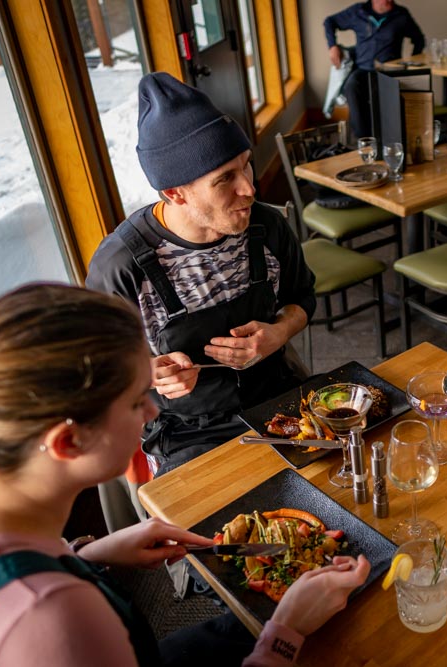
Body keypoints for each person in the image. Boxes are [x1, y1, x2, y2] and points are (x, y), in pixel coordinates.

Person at [0, 283, 370, 667]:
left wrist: (87, 554)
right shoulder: (56, 620)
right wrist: (284, 636)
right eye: (136, 401)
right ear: (67, 442)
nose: (152, 411)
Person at [86, 72, 316, 479]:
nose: (249, 189)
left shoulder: (266, 227)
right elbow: (99, 374)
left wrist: (278, 333)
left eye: (245, 166)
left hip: (280, 399)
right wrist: (149, 374)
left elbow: (303, 299)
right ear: (175, 192)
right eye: (225, 179)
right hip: (189, 433)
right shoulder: (121, 265)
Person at [323, 0, 425, 139]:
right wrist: (332, 46)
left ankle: (391, 139)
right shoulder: (358, 11)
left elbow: (419, 39)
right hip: (363, 70)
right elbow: (329, 22)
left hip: (389, 71)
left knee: (390, 92)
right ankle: (363, 140)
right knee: (351, 86)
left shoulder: (401, 15)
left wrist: (410, 63)